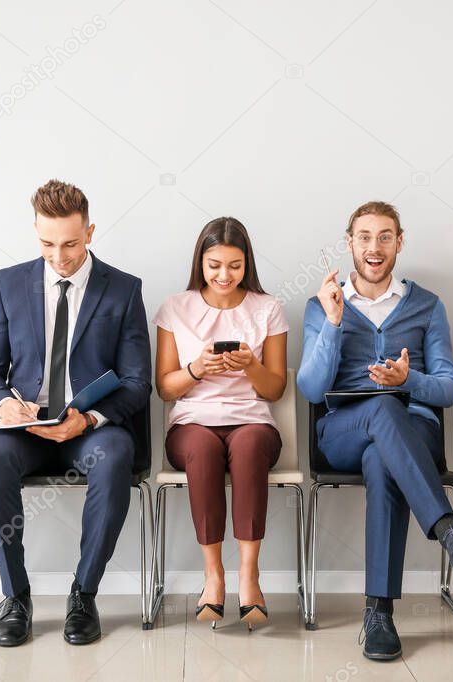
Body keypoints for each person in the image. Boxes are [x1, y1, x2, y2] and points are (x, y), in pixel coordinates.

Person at [297, 201, 453, 661]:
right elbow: (309, 388)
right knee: (379, 410)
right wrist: (333, 322)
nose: (374, 247)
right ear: (349, 243)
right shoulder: (321, 306)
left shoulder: (427, 306)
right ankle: (448, 528)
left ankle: (379, 614)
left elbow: (447, 389)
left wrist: (410, 382)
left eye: (385, 236)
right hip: (341, 431)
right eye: (364, 237)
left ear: (399, 243)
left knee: (383, 456)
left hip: (414, 431)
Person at [0, 179, 151, 647]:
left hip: (90, 430)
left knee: (115, 457)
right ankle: (16, 597)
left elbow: (137, 382)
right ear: (35, 232)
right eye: (47, 243)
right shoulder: (8, 283)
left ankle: (83, 594)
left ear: (89, 232)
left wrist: (89, 419)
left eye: (70, 243)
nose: (59, 256)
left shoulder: (124, 290)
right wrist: (5, 403)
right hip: (25, 429)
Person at [154, 217, 288, 630]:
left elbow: (275, 389)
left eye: (234, 265)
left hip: (253, 423)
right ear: (201, 262)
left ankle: (250, 574)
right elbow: (164, 388)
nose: (224, 275)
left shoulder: (268, 310)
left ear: (247, 263)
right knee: (205, 450)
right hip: (192, 425)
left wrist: (251, 366)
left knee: (247, 448)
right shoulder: (175, 308)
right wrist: (196, 369)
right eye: (214, 265)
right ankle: (213, 575)